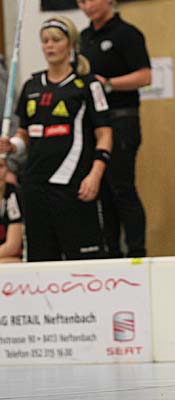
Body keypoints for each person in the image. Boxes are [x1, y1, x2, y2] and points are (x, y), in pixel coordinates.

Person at [0, 16, 112, 261]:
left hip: (73, 186)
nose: (49, 46)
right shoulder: (32, 86)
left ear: (70, 44)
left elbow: (104, 133)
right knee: (41, 262)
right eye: (45, 41)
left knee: (84, 262)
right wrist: (12, 146)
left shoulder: (87, 85)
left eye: (56, 40)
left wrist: (95, 175)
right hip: (35, 187)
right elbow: (24, 134)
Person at [78, 0, 151, 258]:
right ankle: (111, 253)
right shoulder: (84, 37)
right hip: (95, 123)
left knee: (122, 187)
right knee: (103, 192)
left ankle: (136, 252)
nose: (86, 6)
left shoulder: (126, 34)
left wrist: (107, 83)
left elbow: (145, 76)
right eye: (80, 1)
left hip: (121, 120)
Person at [0, 157, 23, 263]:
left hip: (8, 257)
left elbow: (12, 246)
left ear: (7, 170)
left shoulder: (12, 195)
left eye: (0, 166)